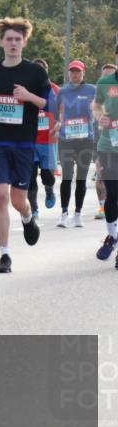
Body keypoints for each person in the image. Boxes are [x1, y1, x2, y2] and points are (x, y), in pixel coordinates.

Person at [0, 17, 50, 274]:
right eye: (9, 39)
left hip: (23, 143)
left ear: (24, 43)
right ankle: (5, 255)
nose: (13, 43)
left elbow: (48, 104)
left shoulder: (35, 72)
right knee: (0, 196)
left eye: (18, 39)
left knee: (19, 201)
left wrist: (28, 96)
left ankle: (28, 217)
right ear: (1, 42)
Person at [54, 60, 96, 228]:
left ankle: (78, 214)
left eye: (78, 71)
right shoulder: (63, 91)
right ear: (68, 73)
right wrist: (58, 123)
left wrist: (96, 110)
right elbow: (55, 112)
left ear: (83, 73)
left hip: (85, 140)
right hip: (67, 139)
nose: (75, 74)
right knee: (66, 176)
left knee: (81, 178)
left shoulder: (92, 90)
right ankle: (64, 214)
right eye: (72, 71)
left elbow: (102, 108)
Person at [92, 44, 118, 268]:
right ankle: (113, 235)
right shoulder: (105, 82)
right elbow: (97, 106)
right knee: (113, 195)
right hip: (109, 146)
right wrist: (100, 116)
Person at [28, 58, 60, 219]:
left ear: (46, 71)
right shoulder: (25, 89)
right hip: (30, 140)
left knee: (47, 176)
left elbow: (62, 109)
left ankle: (49, 189)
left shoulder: (54, 89)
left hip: (48, 140)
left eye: (41, 69)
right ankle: (33, 209)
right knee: (30, 177)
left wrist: (59, 123)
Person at [93, 62, 117, 219]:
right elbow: (95, 107)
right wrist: (100, 116)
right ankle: (102, 207)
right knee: (102, 176)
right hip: (104, 142)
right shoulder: (101, 88)